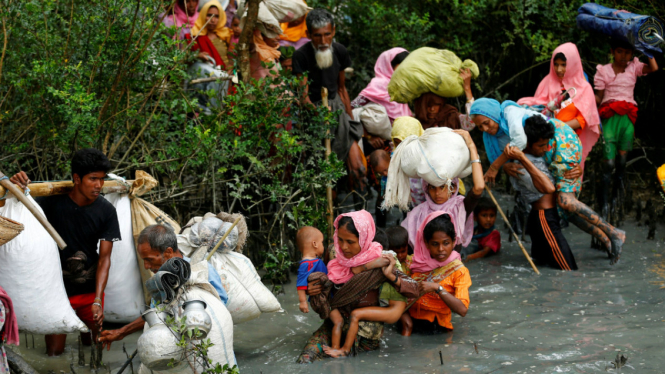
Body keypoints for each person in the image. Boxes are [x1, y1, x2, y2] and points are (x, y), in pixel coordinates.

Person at [9, 149, 119, 356]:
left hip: (88, 291)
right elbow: (18, 206)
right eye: (93, 179)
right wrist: (16, 186)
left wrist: (97, 299)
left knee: (94, 345)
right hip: (56, 291)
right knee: (54, 352)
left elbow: (105, 258)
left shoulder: (106, 210)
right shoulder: (50, 203)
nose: (98, 186)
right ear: (77, 179)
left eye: (102, 180)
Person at [296, 210, 418, 363]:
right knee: (306, 358)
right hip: (334, 325)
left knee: (350, 365)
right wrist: (312, 290)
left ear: (364, 239)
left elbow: (398, 308)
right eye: (340, 239)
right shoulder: (334, 254)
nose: (344, 247)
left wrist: (390, 277)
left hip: (365, 335)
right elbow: (324, 291)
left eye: (350, 242)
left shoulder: (384, 262)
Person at [99, 225, 228, 348]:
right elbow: (157, 313)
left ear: (168, 252)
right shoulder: (160, 280)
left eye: (149, 259)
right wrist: (121, 332)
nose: (146, 266)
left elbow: (221, 305)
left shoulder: (200, 272)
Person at [292, 8, 365, 194]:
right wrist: (320, 115)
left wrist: (350, 121)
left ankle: (358, 214)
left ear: (333, 30)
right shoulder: (301, 56)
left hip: (338, 111)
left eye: (327, 34)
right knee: (324, 175)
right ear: (308, 34)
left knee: (358, 169)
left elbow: (342, 89)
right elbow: (303, 97)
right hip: (315, 115)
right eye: (317, 36)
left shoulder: (340, 51)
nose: (323, 41)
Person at [594, 38, 658, 219]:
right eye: (620, 51)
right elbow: (599, 98)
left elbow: (653, 68)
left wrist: (647, 48)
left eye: (628, 52)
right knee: (609, 163)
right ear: (613, 51)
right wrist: (587, 99)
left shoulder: (634, 67)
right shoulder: (603, 71)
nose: (624, 56)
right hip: (609, 118)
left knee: (622, 161)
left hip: (628, 119)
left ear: (633, 54)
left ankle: (616, 200)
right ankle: (605, 204)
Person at [518, 43, 601, 171]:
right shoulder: (547, 82)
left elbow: (582, 120)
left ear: (573, 64)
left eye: (563, 64)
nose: (559, 69)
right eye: (556, 64)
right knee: (542, 181)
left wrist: (555, 125)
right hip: (544, 143)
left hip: (567, 144)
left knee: (565, 180)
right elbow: (537, 106)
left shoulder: (584, 88)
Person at [400, 129, 484, 250]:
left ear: (453, 187)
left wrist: (471, 146)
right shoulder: (418, 213)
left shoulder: (460, 207)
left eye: (442, 187)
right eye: (432, 188)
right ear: (426, 189)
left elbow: (479, 187)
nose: (437, 193)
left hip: (452, 267)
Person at [504, 135, 578, 270]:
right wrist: (521, 157)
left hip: (543, 216)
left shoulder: (547, 156)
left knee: (545, 265)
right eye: (540, 145)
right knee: (567, 268)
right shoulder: (519, 164)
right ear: (527, 145)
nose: (545, 148)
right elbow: (548, 187)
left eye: (546, 144)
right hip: (544, 217)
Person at [402, 211, 471, 335]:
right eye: (435, 244)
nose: (440, 249)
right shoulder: (413, 262)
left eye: (446, 243)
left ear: (454, 242)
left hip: (437, 328)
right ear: (426, 243)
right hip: (407, 321)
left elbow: (462, 310)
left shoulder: (459, 271)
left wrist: (437, 288)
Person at [351, 48, 413, 152]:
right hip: (375, 150)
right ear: (389, 67)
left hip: (397, 147)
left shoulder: (401, 89)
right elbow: (351, 110)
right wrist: (368, 136)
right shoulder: (379, 85)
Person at [188, 0, 233, 71]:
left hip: (226, 76)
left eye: (217, 16)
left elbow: (233, 56)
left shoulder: (226, 34)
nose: (213, 20)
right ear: (203, 15)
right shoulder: (195, 35)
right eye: (209, 15)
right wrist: (196, 56)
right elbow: (183, 57)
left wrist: (230, 68)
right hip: (205, 77)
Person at [296, 226, 327, 313]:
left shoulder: (314, 261)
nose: (323, 246)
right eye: (322, 242)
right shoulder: (306, 264)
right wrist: (303, 302)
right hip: (322, 298)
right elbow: (300, 284)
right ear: (315, 244)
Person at [461, 197, 501, 262]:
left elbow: (484, 252)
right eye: (484, 215)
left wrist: (468, 258)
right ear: (475, 217)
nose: (488, 219)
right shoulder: (474, 231)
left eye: (492, 216)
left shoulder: (494, 234)